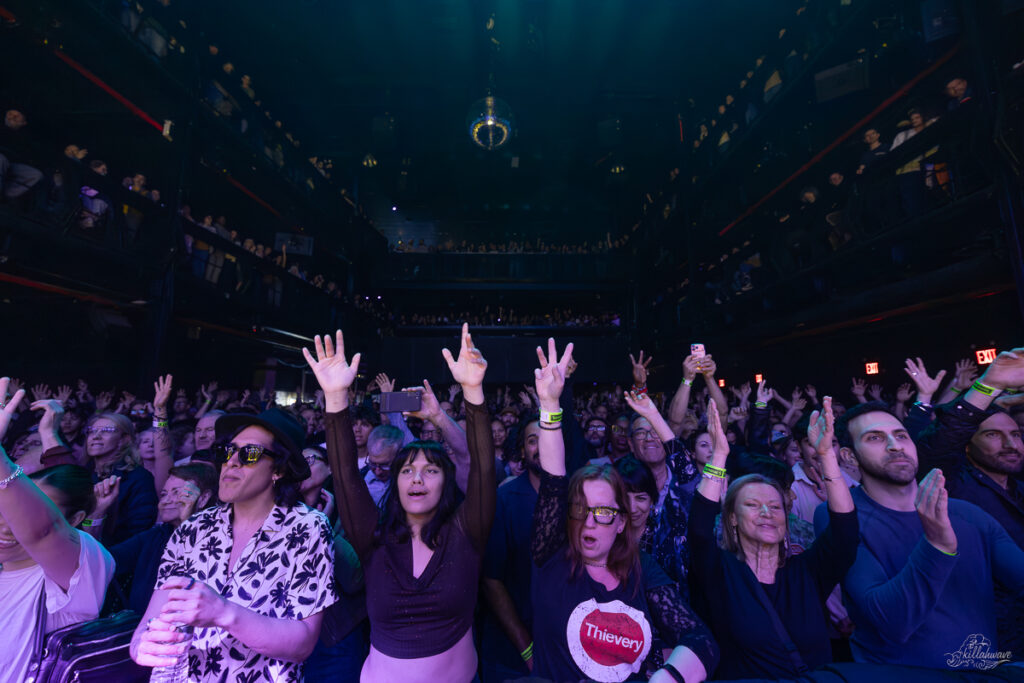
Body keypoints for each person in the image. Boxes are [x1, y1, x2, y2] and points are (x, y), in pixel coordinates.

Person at [308, 324, 494, 683]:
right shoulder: (374, 540)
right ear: (395, 482)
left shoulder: (467, 533)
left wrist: (473, 392)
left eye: (431, 470)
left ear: (448, 481)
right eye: (407, 470)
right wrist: (335, 399)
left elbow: (483, 468)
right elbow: (346, 475)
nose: (418, 478)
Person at [528, 339, 718, 683]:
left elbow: (701, 641)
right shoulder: (553, 556)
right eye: (580, 509)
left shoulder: (642, 568)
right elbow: (554, 479)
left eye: (602, 511)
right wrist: (550, 404)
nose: (589, 522)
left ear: (620, 522)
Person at [130, 407, 337, 682]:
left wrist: (223, 612)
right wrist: (142, 646)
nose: (232, 462)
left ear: (279, 469)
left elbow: (303, 643)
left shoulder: (307, 528)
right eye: (227, 452)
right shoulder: (193, 529)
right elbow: (150, 623)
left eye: (249, 454)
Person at [824, 392, 1024, 669]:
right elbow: (891, 622)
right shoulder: (841, 515)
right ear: (849, 456)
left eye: (902, 435)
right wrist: (936, 545)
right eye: (875, 438)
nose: (895, 446)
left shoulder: (968, 514)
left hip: (978, 672)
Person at [690, 397, 858, 679]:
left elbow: (845, 532)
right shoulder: (721, 573)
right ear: (732, 518)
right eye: (753, 505)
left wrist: (827, 456)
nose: (767, 512)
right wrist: (719, 455)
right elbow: (698, 530)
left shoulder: (806, 572)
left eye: (775, 506)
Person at [1, 373, 115, 683]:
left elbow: (42, 532)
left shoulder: (83, 565)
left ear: (74, 519)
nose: (11, 520)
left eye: (32, 509)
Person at [481, 415, 543, 682]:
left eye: (548, 438)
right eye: (532, 440)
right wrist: (527, 650)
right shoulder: (504, 500)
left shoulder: (579, 495)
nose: (541, 446)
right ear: (522, 451)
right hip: (512, 653)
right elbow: (491, 580)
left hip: (567, 646)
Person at [108, 463, 218, 614]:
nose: (165, 501)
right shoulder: (155, 536)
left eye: (177, 493)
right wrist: (96, 515)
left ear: (203, 498)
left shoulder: (218, 540)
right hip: (142, 629)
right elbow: (103, 562)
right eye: (164, 494)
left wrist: (187, 521)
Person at [82, 412, 157, 545]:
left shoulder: (139, 477)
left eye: (106, 431)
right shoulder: (83, 475)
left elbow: (139, 531)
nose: (96, 436)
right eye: (92, 431)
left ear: (124, 439)